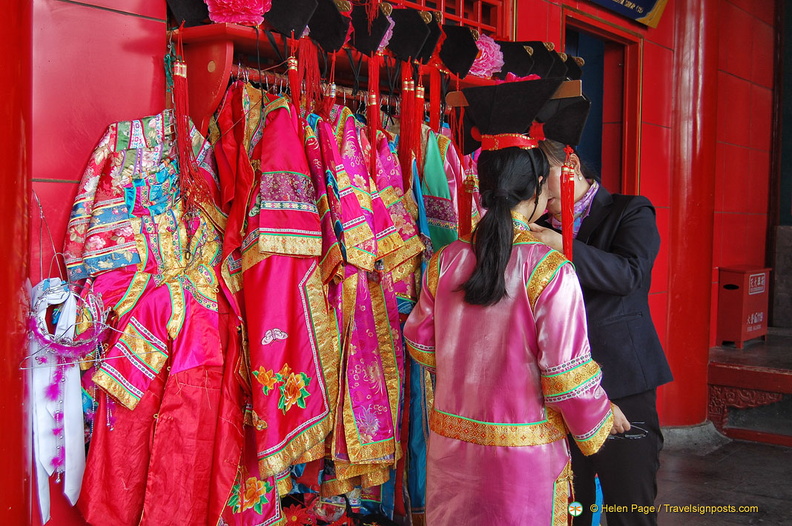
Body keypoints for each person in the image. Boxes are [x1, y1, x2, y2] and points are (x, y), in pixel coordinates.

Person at [403, 88, 631, 523]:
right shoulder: (550, 270)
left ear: (482, 186)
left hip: (454, 451)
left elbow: (420, 342)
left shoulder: (445, 260)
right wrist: (603, 413)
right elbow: (567, 378)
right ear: (540, 185)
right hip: (523, 459)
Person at [530, 139, 674, 526]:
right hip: (559, 387)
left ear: (571, 166)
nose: (542, 194)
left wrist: (563, 246)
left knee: (629, 499)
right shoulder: (536, 226)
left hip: (622, 376)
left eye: (545, 181)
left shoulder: (629, 210)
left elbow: (630, 274)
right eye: (536, 186)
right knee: (569, 505)